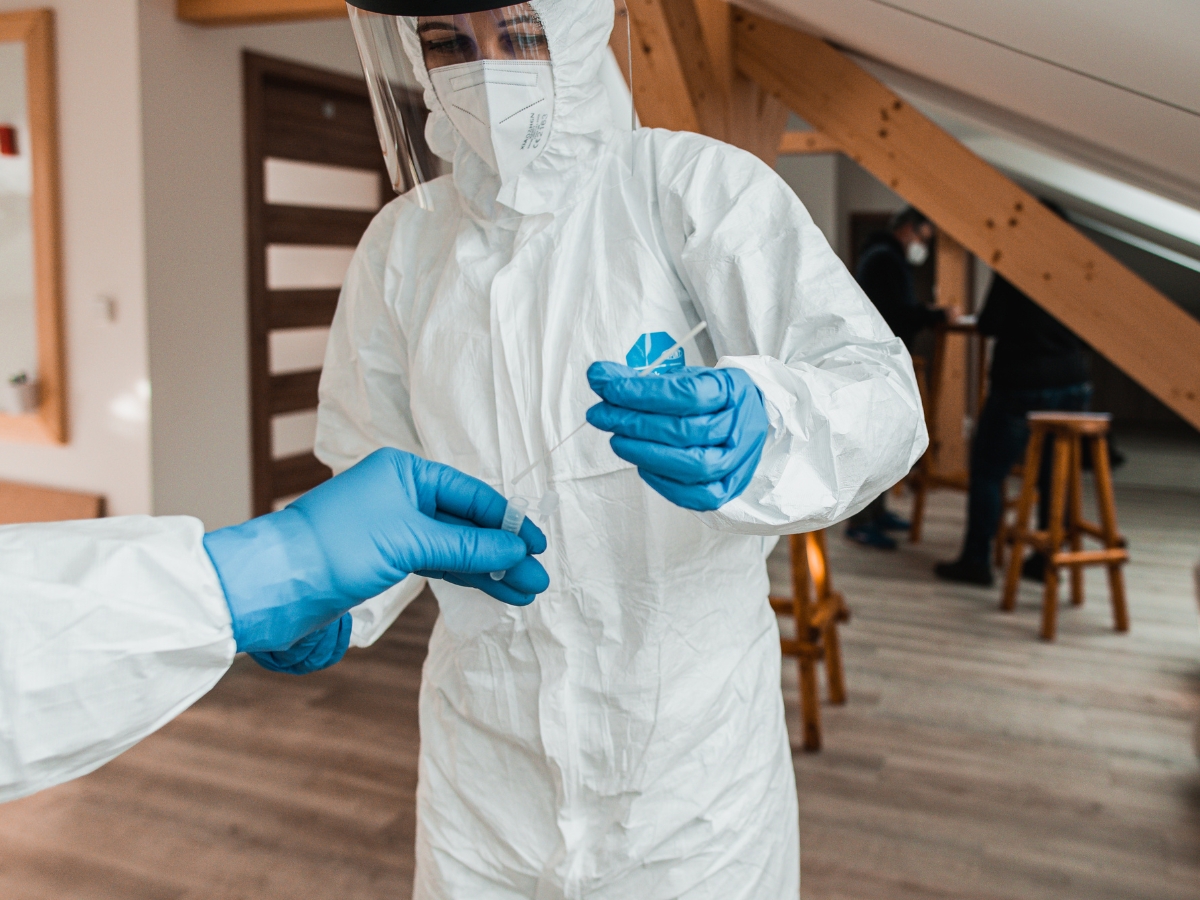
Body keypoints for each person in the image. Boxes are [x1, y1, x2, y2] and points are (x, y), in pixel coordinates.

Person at [329, 2, 927, 897]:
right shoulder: (405, 246)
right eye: (447, 45)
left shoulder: (688, 189)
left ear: (575, 27)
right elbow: (371, 476)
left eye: (517, 37)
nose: (483, 73)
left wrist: (767, 422)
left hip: (688, 781)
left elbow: (879, 390)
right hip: (484, 771)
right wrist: (332, 600)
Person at [0, 448, 548, 803]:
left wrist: (281, 568)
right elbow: (369, 430)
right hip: (476, 769)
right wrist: (328, 595)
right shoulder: (402, 263)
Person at [936, 200, 1091, 586]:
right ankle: (1046, 557)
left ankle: (977, 560)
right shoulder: (1079, 269)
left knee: (989, 470)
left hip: (1023, 382)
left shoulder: (1019, 267)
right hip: (1073, 380)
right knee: (1053, 475)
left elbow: (990, 322)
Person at [845, 206, 948, 549]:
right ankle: (861, 521)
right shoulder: (883, 259)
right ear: (908, 229)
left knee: (884, 442)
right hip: (875, 362)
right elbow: (894, 315)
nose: (923, 246)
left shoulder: (885, 256)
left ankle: (876, 513)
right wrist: (931, 314)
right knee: (873, 444)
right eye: (923, 238)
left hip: (881, 361)